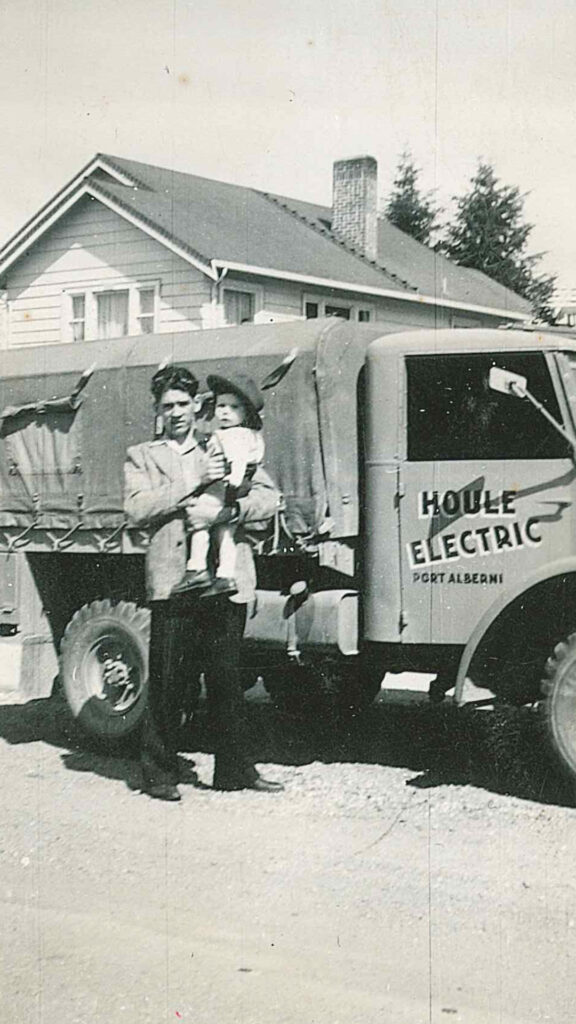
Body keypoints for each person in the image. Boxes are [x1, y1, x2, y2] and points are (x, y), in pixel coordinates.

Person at [124, 364, 284, 801]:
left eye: (182, 404)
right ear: (157, 411)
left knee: (226, 680)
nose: (175, 413)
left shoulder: (222, 442)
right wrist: (192, 481)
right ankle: (157, 772)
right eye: (166, 406)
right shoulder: (143, 455)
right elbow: (137, 509)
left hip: (226, 581)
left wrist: (227, 514)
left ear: (197, 406)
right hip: (174, 584)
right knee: (168, 682)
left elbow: (268, 498)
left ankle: (234, 770)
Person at [172, 373, 265, 597]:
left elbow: (239, 461)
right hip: (235, 491)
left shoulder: (232, 435)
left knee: (199, 519)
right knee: (225, 534)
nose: (225, 411)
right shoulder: (249, 435)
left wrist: (232, 484)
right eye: (221, 405)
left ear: (245, 413)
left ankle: (196, 568)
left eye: (234, 407)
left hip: (225, 489)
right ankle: (225, 575)